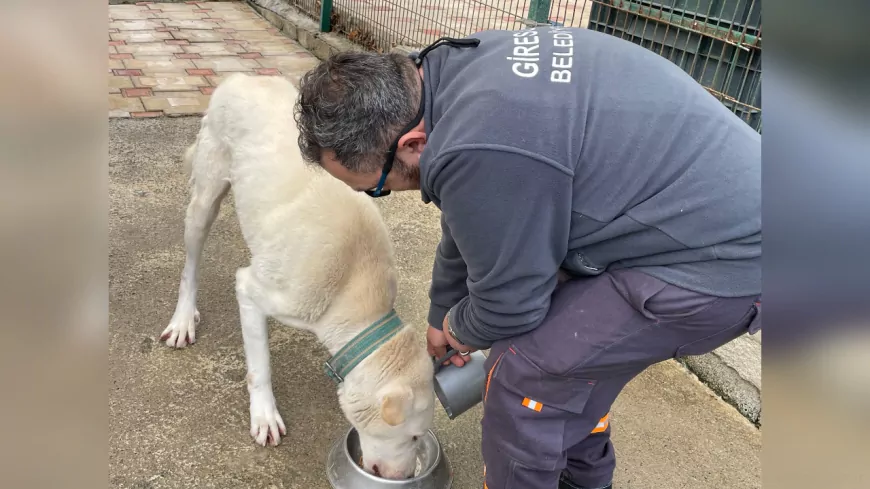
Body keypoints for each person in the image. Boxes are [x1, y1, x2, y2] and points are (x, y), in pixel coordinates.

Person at [294, 26, 761, 489]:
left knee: (526, 373)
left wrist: (459, 331)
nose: (384, 194)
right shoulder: (441, 75)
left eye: (377, 189)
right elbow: (472, 215)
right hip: (713, 212)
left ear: (413, 145)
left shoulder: (479, 142)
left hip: (729, 259)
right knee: (567, 357)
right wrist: (442, 315)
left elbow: (510, 304)